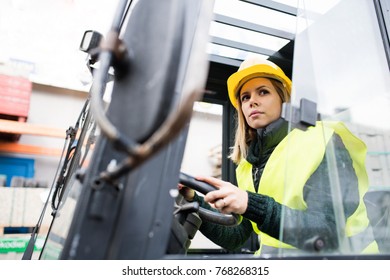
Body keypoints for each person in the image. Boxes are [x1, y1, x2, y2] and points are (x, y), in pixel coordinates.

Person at [179, 54, 378, 255]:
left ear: (283, 99)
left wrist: (249, 203)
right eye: (245, 97)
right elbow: (237, 236)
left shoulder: (322, 140)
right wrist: (193, 199)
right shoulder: (248, 166)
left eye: (263, 92)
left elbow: (327, 231)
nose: (252, 102)